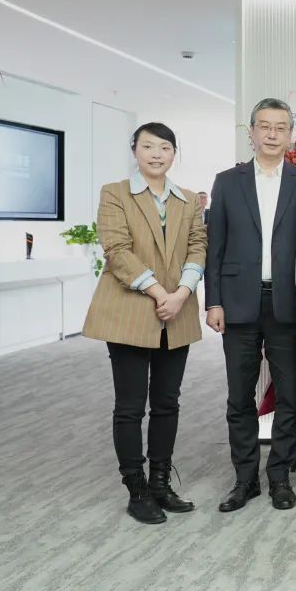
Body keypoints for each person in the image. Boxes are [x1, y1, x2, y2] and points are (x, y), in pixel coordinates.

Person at [82, 122, 207, 524]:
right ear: (135, 150)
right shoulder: (115, 193)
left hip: (177, 310)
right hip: (131, 310)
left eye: (165, 147)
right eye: (148, 146)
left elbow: (198, 246)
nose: (156, 154)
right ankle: (136, 490)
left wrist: (181, 294)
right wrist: (158, 293)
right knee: (131, 406)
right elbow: (117, 250)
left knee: (168, 402)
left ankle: (160, 483)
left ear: (174, 154)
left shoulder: (188, 199)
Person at [205, 98, 296, 513]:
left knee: (290, 396)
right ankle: (245, 479)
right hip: (237, 302)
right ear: (251, 132)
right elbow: (215, 247)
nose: (272, 134)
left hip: (287, 302)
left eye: (280, 127)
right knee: (239, 397)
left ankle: (280, 476)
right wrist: (213, 300)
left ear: (289, 134)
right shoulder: (227, 182)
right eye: (264, 126)